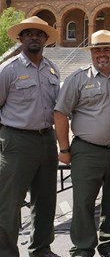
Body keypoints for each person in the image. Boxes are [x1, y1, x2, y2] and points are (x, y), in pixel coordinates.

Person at [53, 30, 110, 257]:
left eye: (106, 49)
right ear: (91, 53)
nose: (102, 54)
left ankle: (109, 246)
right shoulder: (78, 78)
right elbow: (60, 113)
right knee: (84, 201)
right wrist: (64, 149)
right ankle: (83, 248)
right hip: (87, 150)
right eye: (97, 50)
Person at [0, 16, 61, 257]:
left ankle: (41, 248)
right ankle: (6, 251)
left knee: (45, 199)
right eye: (29, 33)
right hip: (16, 141)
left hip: (47, 139)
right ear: (20, 39)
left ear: (46, 39)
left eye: (39, 34)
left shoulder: (52, 69)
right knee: (9, 202)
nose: (34, 37)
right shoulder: (7, 70)